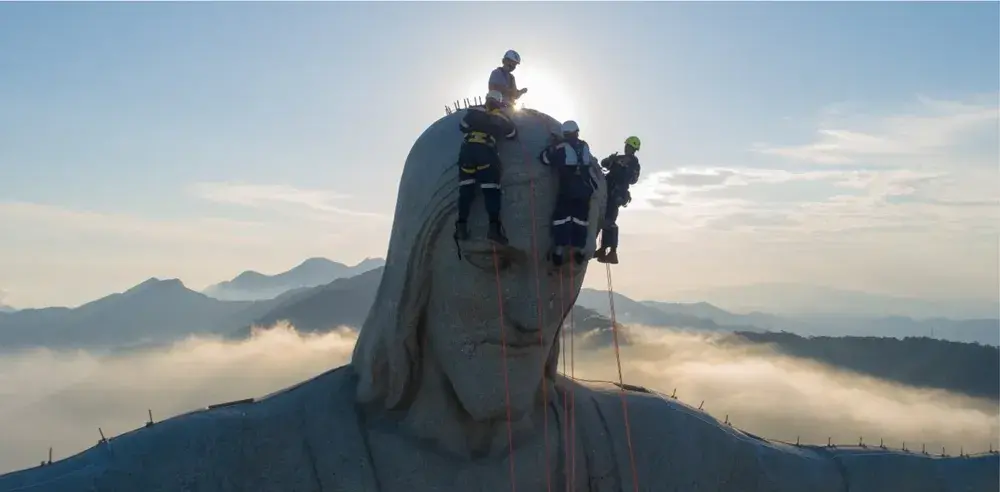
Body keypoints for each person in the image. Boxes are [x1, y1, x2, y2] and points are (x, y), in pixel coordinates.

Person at [3, 108, 996, 492]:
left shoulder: (630, 449)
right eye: (491, 265)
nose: (536, 314)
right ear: (415, 265)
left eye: (561, 270)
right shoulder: (255, 458)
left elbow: (829, 483)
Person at [454, 90, 517, 246]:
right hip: (486, 154)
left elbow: (462, 126)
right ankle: (494, 229)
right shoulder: (500, 117)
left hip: (467, 153)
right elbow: (512, 134)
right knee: (491, 190)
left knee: (466, 190)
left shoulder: (473, 111)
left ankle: (461, 227)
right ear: (499, 102)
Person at [540, 120, 598, 267]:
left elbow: (545, 159)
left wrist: (553, 145)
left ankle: (559, 252)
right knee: (581, 220)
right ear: (577, 132)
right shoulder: (584, 146)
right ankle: (579, 251)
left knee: (562, 219)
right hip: (584, 190)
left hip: (567, 189)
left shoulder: (561, 147)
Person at [595, 136, 642, 264]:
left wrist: (620, 167)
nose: (626, 148)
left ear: (633, 148)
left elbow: (632, 180)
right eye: (626, 145)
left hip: (616, 193)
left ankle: (612, 251)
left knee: (609, 220)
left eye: (628, 146)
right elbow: (604, 163)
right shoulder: (620, 159)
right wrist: (611, 159)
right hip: (610, 191)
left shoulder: (633, 163)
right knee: (606, 219)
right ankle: (604, 249)